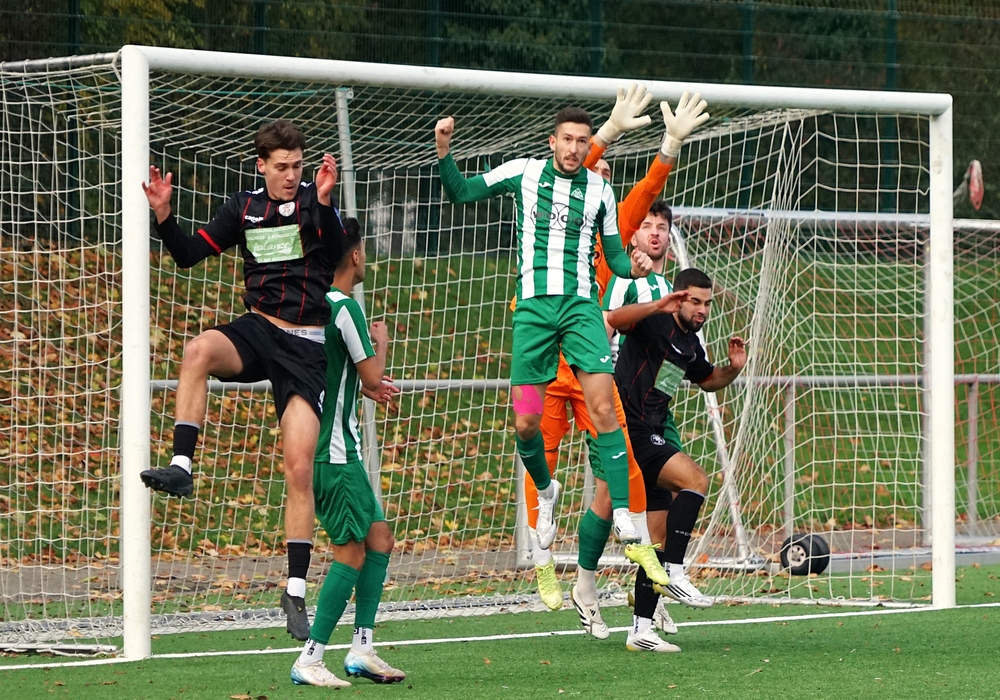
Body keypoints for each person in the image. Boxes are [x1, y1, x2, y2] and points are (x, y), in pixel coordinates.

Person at [433, 103, 655, 619]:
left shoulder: (600, 191)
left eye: (583, 141)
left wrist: (637, 269)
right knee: (525, 422)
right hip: (533, 315)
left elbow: (615, 258)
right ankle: (548, 491)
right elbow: (462, 191)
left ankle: (624, 516)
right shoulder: (524, 173)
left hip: (580, 312)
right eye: (567, 139)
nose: (575, 148)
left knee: (604, 409)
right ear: (552, 142)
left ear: (588, 146)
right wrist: (444, 150)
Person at [139, 119, 347, 641]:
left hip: (305, 347)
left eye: (297, 166)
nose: (291, 175)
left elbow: (336, 249)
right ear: (261, 165)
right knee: (198, 350)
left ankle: (294, 591)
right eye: (281, 167)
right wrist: (163, 215)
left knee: (299, 468)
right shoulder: (242, 208)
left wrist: (323, 201)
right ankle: (181, 466)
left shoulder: (315, 201)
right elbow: (187, 255)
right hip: (258, 331)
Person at [520, 89, 708, 639]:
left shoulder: (608, 246)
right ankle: (544, 559)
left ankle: (640, 567)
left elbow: (638, 190)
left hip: (590, 376)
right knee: (531, 441)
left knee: (623, 467)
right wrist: (608, 131)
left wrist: (668, 146)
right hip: (540, 370)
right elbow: (572, 162)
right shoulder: (538, 241)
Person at [606, 267, 747, 652]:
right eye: (695, 301)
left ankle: (640, 630)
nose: (702, 310)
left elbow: (708, 380)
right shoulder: (654, 322)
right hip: (629, 427)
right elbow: (614, 319)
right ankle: (676, 571)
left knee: (658, 539)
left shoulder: (690, 344)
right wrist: (656, 305)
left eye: (707, 304)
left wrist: (733, 369)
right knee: (696, 480)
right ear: (680, 298)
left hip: (652, 430)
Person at [290, 219, 405, 687]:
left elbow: (344, 377)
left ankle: (362, 649)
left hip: (330, 449)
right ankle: (310, 657)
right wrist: (381, 344)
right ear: (354, 256)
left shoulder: (310, 306)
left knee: (380, 539)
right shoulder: (346, 309)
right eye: (364, 251)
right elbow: (371, 376)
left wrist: (369, 386)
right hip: (334, 454)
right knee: (351, 552)